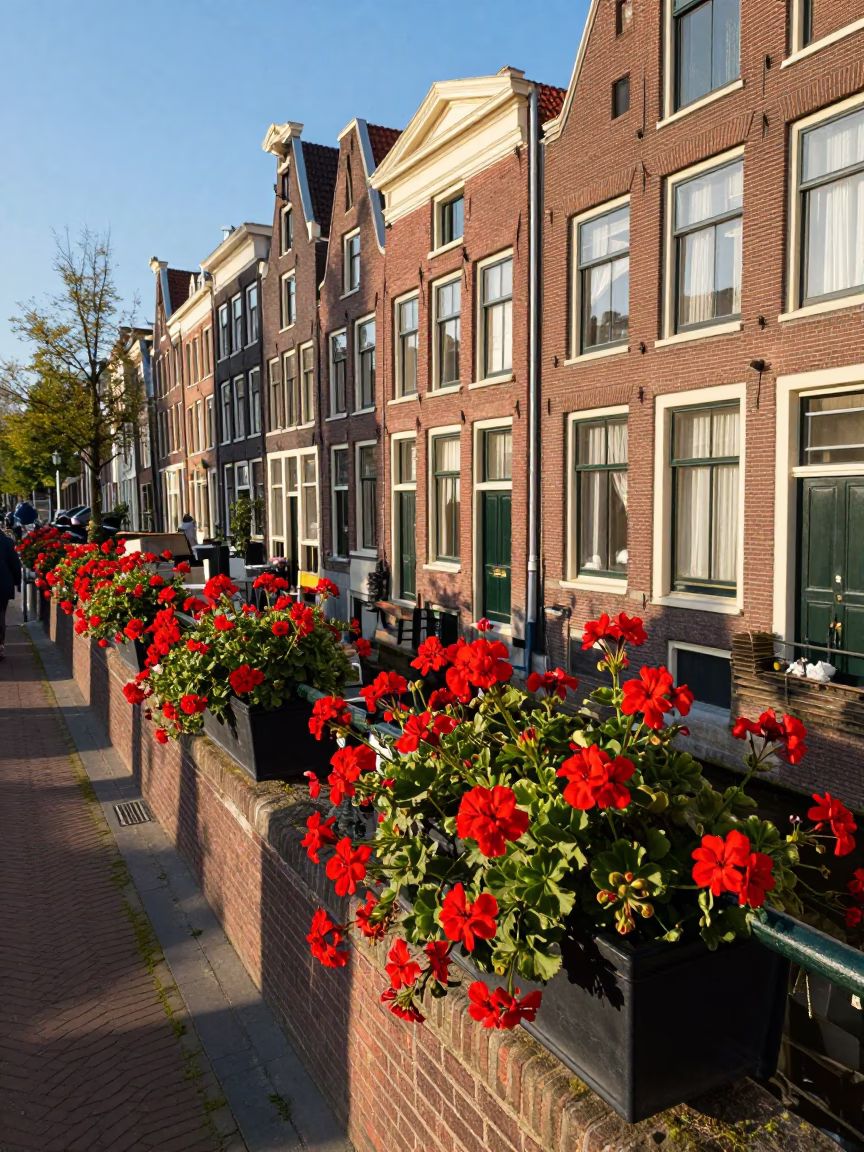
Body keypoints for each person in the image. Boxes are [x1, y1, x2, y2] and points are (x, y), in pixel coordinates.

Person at [0, 530, 22, 661]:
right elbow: (15, 564)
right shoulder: (7, 542)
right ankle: (0, 645)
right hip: (2, 585)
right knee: (1, 614)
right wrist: (16, 581)